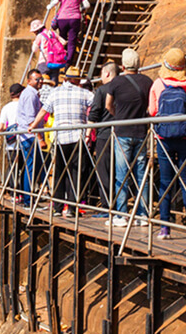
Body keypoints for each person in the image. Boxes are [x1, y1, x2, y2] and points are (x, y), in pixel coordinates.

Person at [148, 48, 186, 239]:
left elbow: (153, 112)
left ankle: (164, 227)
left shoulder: (158, 84)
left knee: (165, 181)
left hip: (164, 138)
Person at [28, 66, 94, 218]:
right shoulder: (85, 93)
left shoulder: (55, 92)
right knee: (76, 172)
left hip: (60, 137)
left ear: (65, 78)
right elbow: (96, 106)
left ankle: (57, 208)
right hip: (78, 137)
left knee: (59, 172)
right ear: (77, 80)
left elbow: (44, 110)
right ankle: (71, 208)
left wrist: (33, 125)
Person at [104, 49, 153, 227]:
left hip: (122, 132)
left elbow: (108, 104)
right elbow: (152, 105)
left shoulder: (116, 82)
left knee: (121, 174)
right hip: (141, 131)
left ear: (123, 65)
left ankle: (121, 215)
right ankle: (143, 215)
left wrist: (118, 115)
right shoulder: (147, 81)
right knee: (142, 175)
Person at [88, 62, 118, 208]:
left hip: (104, 134)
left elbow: (94, 112)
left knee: (103, 170)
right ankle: (120, 204)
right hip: (121, 133)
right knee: (119, 169)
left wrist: (88, 134)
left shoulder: (102, 90)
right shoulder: (122, 88)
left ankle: (107, 205)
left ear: (106, 73)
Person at [47, 0, 90, 65]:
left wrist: (49, 6)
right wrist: (81, 10)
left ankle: (61, 58)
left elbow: (55, 2)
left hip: (62, 18)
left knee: (61, 38)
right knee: (72, 41)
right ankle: (69, 62)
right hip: (75, 19)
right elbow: (87, 5)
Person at [16, 70, 44, 206]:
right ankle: (29, 200)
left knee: (33, 167)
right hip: (30, 136)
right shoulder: (30, 95)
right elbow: (30, 120)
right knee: (31, 168)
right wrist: (40, 138)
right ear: (29, 81)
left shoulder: (32, 94)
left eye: (41, 79)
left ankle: (29, 198)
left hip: (28, 136)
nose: (40, 82)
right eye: (37, 79)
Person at [0, 83, 25, 198]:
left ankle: (13, 193)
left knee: (12, 167)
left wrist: (8, 130)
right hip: (25, 141)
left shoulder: (6, 107)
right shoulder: (24, 106)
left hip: (11, 143)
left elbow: (0, 127)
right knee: (24, 169)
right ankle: (23, 193)